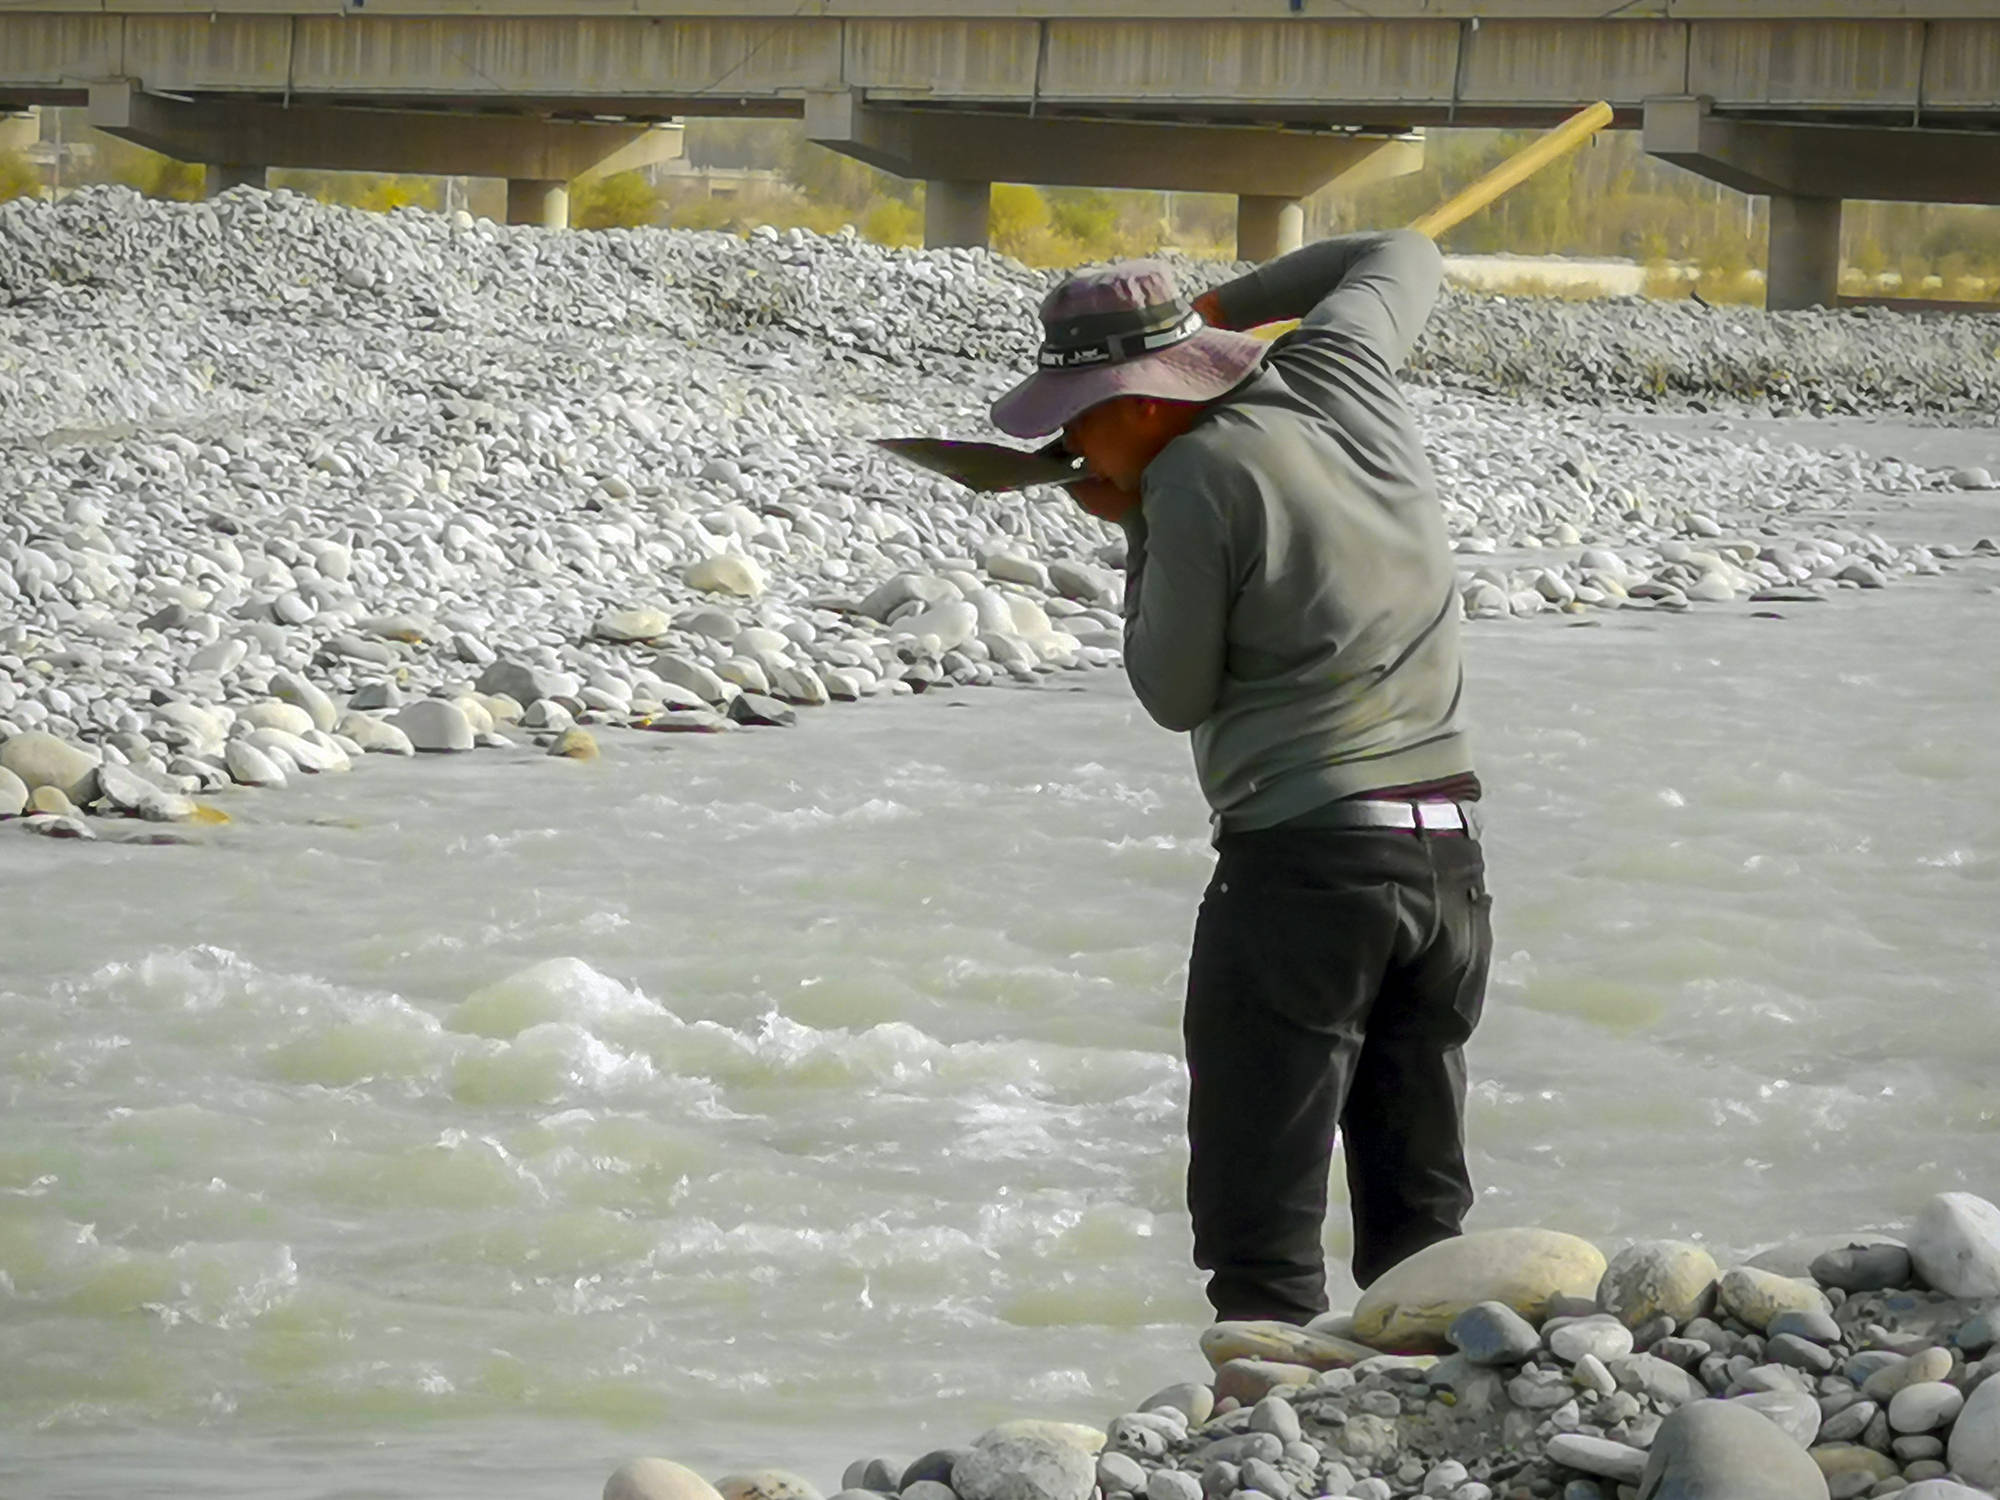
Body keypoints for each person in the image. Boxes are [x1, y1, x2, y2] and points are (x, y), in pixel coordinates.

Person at [988, 232, 1493, 1325]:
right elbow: (1397, 250)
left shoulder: (1188, 478)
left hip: (1305, 868)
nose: (1072, 443)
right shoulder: (1339, 370)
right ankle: (1424, 1406)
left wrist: (1137, 537)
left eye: (1079, 415)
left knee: (1257, 1218)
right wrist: (1217, 305)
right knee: (1418, 1215)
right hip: (1445, 865)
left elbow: (1171, 691)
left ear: (1144, 401)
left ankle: (1251, 1434)